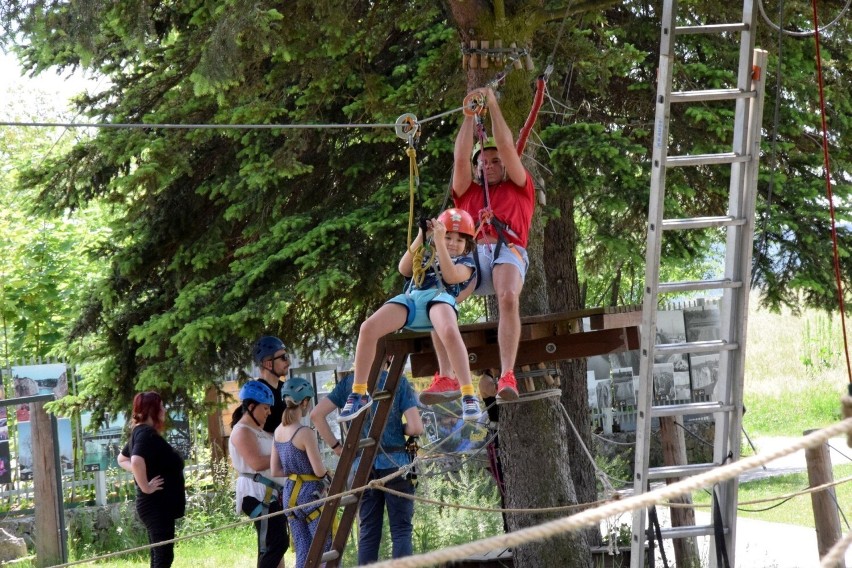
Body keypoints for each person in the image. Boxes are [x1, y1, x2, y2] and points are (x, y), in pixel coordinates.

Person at [337, 208, 482, 422]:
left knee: (449, 331)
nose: (452, 242)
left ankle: (468, 393)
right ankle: (359, 392)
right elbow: (404, 268)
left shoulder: (466, 264)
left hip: (440, 299)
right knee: (368, 328)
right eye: (448, 236)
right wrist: (422, 236)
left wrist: (440, 241)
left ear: (467, 246)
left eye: (459, 240)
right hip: (414, 299)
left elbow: (451, 277)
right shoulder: (426, 255)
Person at [452, 86, 536, 402]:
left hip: (507, 251)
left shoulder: (519, 187)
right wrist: (468, 115)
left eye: (494, 161)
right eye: (483, 162)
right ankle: (446, 375)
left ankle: (507, 374)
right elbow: (460, 157)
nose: (488, 165)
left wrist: (494, 106)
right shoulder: (469, 193)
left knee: (508, 297)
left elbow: (505, 145)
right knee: (445, 298)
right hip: (474, 256)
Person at [311, 366, 424, 564]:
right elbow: (416, 427)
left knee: (369, 531)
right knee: (401, 531)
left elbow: (316, 415)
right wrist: (399, 428)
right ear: (388, 357)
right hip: (395, 463)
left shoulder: (349, 384)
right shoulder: (397, 380)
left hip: (363, 467)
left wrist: (337, 447)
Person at [118, 392, 186, 568]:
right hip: (156, 505)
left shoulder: (141, 432)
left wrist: (143, 475)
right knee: (163, 557)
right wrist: (145, 486)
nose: (164, 410)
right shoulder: (145, 433)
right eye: (161, 406)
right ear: (152, 410)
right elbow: (135, 460)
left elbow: (122, 459)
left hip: (157, 505)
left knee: (159, 555)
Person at [271, 377, 332, 568]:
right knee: (324, 544)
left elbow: (275, 469)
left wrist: (294, 471)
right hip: (310, 494)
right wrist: (328, 475)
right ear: (304, 402)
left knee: (303, 549)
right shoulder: (304, 432)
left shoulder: (278, 431)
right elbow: (319, 471)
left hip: (290, 495)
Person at [229, 380, 289, 568]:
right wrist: (287, 459)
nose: (269, 412)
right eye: (265, 408)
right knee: (278, 543)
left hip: (269, 494)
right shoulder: (242, 431)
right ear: (251, 406)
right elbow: (256, 462)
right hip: (258, 495)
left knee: (269, 546)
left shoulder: (258, 431)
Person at [252, 335, 290, 433]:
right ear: (268, 364)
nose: (288, 362)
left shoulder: (285, 387)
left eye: (287, 356)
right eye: (283, 358)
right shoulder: (256, 393)